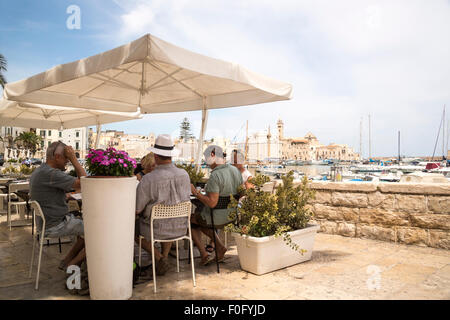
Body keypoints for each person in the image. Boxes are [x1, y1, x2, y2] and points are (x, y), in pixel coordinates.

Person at [135, 134, 191, 276]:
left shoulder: (149, 179)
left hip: (156, 230)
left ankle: (159, 258)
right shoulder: (184, 174)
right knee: (168, 217)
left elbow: (137, 208)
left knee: (133, 230)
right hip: (180, 228)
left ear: (155, 156)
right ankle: (164, 257)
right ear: (171, 155)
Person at [30, 141, 87, 271]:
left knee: (85, 228)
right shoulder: (51, 174)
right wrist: (74, 159)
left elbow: (47, 194)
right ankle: (72, 265)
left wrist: (66, 196)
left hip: (45, 224)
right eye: (66, 157)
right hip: (55, 225)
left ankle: (66, 261)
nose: (67, 161)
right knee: (96, 232)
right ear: (57, 157)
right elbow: (85, 181)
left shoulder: (40, 171)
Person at [190, 145, 243, 266]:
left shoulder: (215, 175)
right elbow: (240, 193)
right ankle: (219, 247)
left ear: (212, 156)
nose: (205, 161)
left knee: (192, 220)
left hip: (216, 218)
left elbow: (212, 203)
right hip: (232, 216)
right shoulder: (235, 171)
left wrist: (196, 193)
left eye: (206, 157)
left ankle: (204, 254)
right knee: (200, 217)